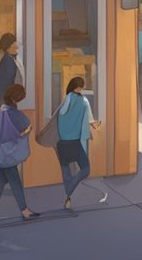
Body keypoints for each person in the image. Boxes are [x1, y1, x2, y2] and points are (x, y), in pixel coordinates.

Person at [0, 83, 37, 221]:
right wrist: (25, 133)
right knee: (15, 182)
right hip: (8, 155)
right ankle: (24, 210)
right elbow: (26, 128)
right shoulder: (17, 115)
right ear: (18, 99)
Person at [55, 76, 102, 211]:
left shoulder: (66, 99)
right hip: (75, 141)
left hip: (62, 141)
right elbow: (90, 120)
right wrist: (94, 124)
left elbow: (61, 114)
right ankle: (69, 190)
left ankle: (68, 198)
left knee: (65, 169)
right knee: (85, 169)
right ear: (80, 87)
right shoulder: (84, 101)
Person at [0, 33, 24, 108]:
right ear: (9, 47)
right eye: (14, 43)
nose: (17, 46)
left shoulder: (10, 59)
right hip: (6, 100)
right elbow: (10, 82)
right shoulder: (8, 61)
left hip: (5, 98)